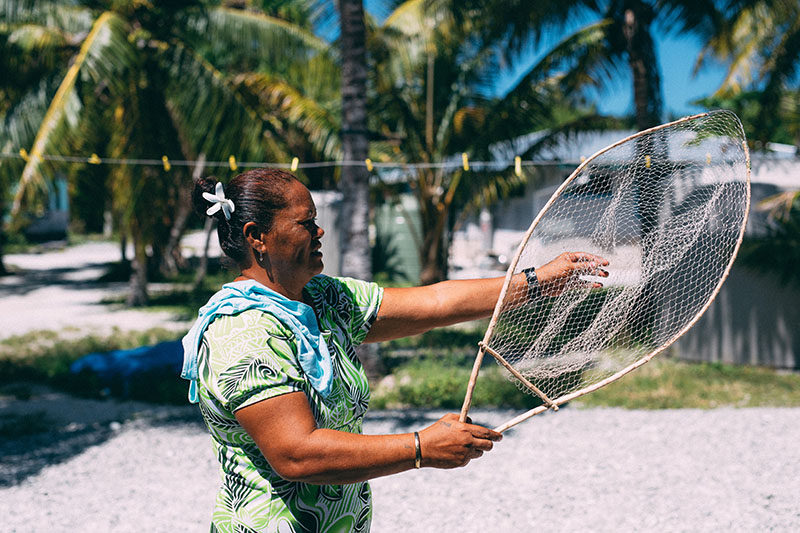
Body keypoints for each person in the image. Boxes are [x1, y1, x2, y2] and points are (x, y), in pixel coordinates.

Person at [182, 168, 609, 532]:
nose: (319, 231)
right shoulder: (242, 331)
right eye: (305, 223)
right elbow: (297, 453)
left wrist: (534, 283)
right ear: (257, 238)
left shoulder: (323, 297)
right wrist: (421, 447)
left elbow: (435, 302)